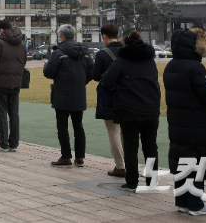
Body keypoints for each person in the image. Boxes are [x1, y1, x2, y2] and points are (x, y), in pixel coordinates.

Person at [164, 28, 206, 216]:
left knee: (183, 162)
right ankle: (195, 204)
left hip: (177, 122)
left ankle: (182, 201)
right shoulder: (195, 67)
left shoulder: (170, 65)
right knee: (196, 163)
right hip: (197, 122)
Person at [101, 30, 160, 191]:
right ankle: (152, 180)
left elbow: (106, 81)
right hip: (151, 108)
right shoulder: (150, 60)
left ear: (126, 45)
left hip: (129, 109)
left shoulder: (122, 61)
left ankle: (132, 181)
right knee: (150, 146)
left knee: (131, 147)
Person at [44, 24, 94, 167]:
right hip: (78, 93)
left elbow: (48, 73)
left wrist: (46, 66)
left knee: (62, 126)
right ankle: (80, 157)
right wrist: (82, 82)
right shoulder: (84, 52)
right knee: (78, 125)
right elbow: (92, 71)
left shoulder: (59, 53)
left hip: (62, 93)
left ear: (62, 37)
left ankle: (66, 156)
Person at [90, 23, 126, 177]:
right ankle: (131, 163)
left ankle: (120, 166)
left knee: (114, 132)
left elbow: (96, 76)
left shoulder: (102, 54)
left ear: (104, 36)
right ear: (117, 35)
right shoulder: (127, 51)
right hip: (128, 95)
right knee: (127, 133)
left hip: (109, 97)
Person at [0, 19, 27, 152]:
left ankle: (4, 144)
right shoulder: (21, 44)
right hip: (16, 82)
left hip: (1, 82)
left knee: (2, 113)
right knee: (14, 114)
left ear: (1, 30)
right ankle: (14, 143)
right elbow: (24, 61)